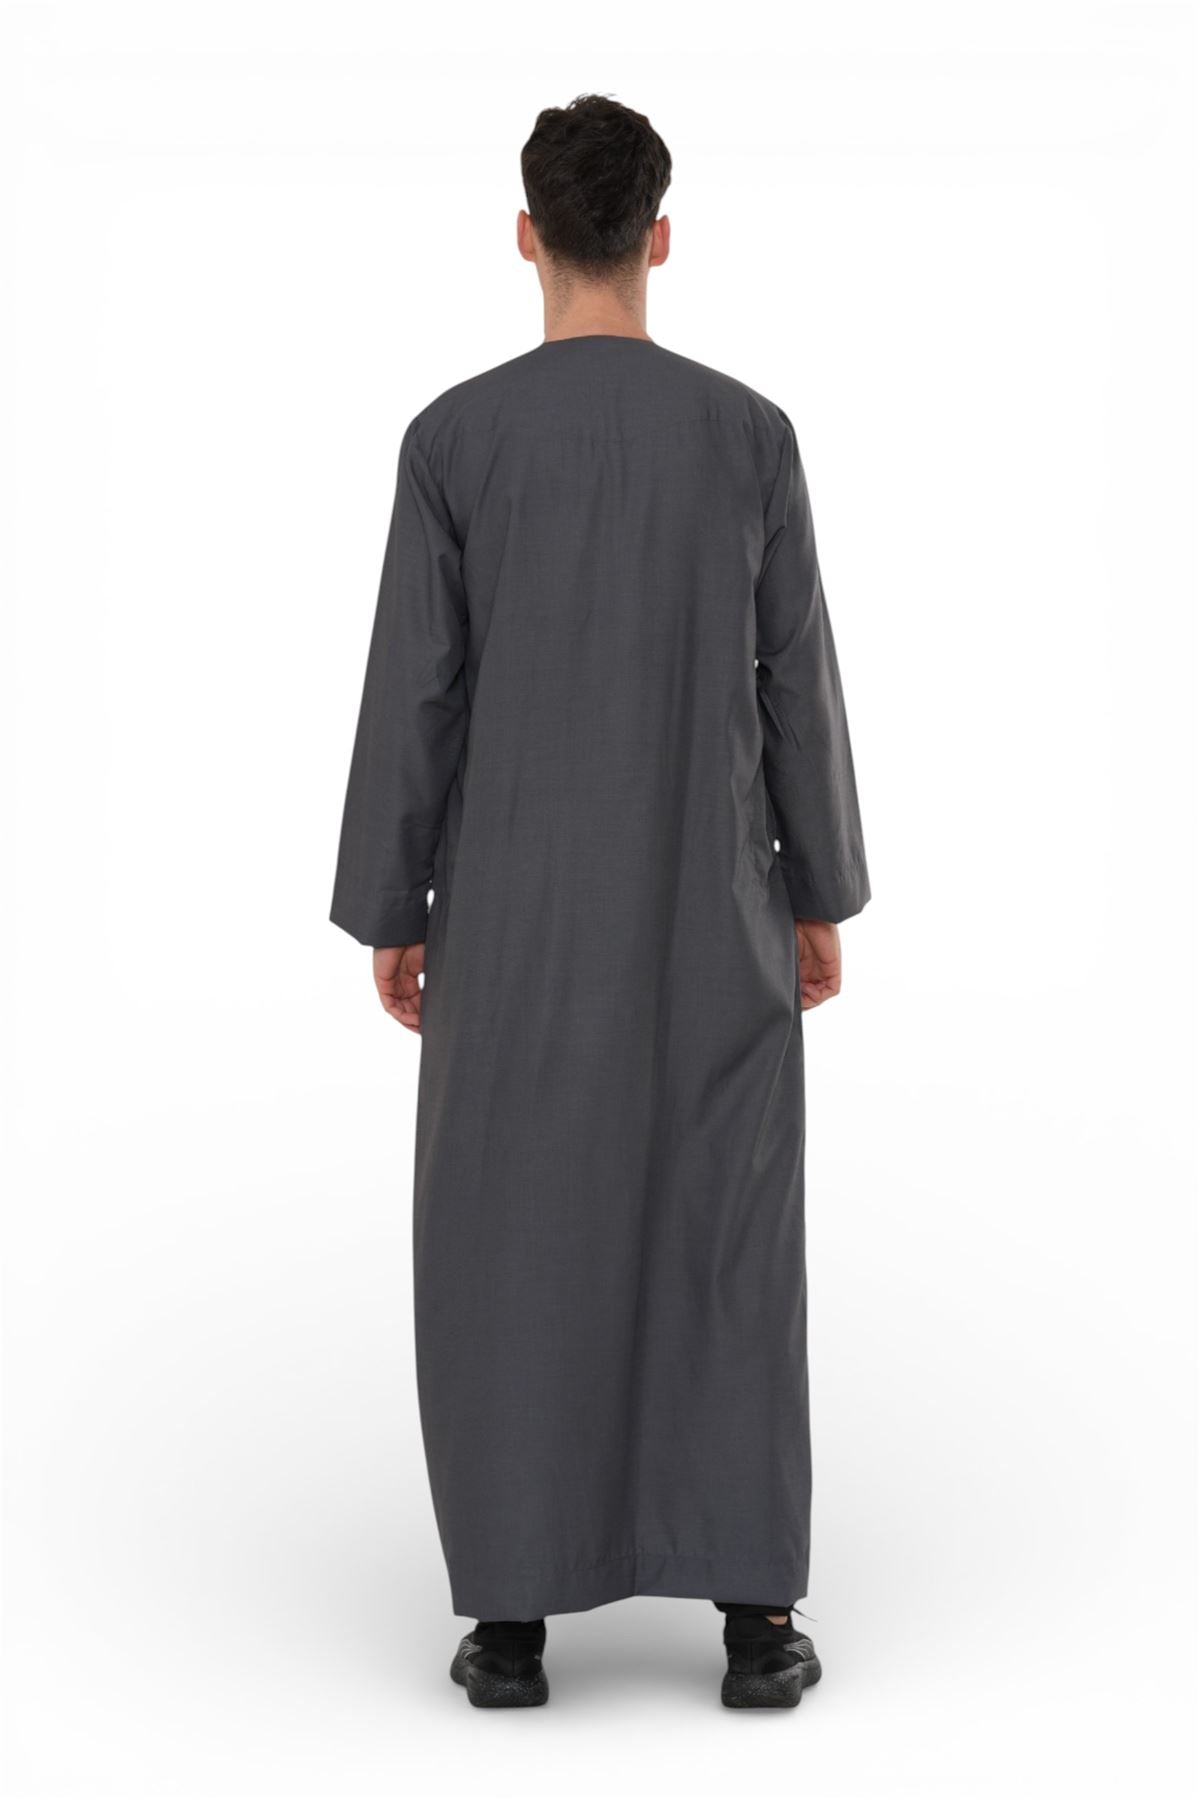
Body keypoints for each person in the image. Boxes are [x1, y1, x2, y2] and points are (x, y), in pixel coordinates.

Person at [330, 93, 870, 1711]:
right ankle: (758, 1622)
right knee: (728, 1231)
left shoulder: (454, 443)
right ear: (659, 237)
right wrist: (821, 887)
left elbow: (417, 692)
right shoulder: (749, 436)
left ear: (525, 236)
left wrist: (395, 904)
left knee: (507, 1228)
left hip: (513, 915)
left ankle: (510, 1623)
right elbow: (796, 683)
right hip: (715, 904)